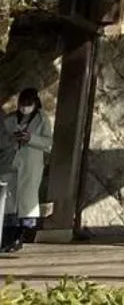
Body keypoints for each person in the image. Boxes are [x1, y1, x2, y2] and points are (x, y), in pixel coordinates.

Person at [1, 88, 53, 252]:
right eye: (21, 105)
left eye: (27, 105)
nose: (24, 108)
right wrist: (12, 139)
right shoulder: (9, 120)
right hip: (10, 164)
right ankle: (7, 239)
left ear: (34, 104)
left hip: (30, 164)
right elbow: (1, 141)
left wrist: (31, 139)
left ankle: (19, 238)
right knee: (9, 202)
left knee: (26, 201)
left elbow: (48, 143)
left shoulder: (42, 119)